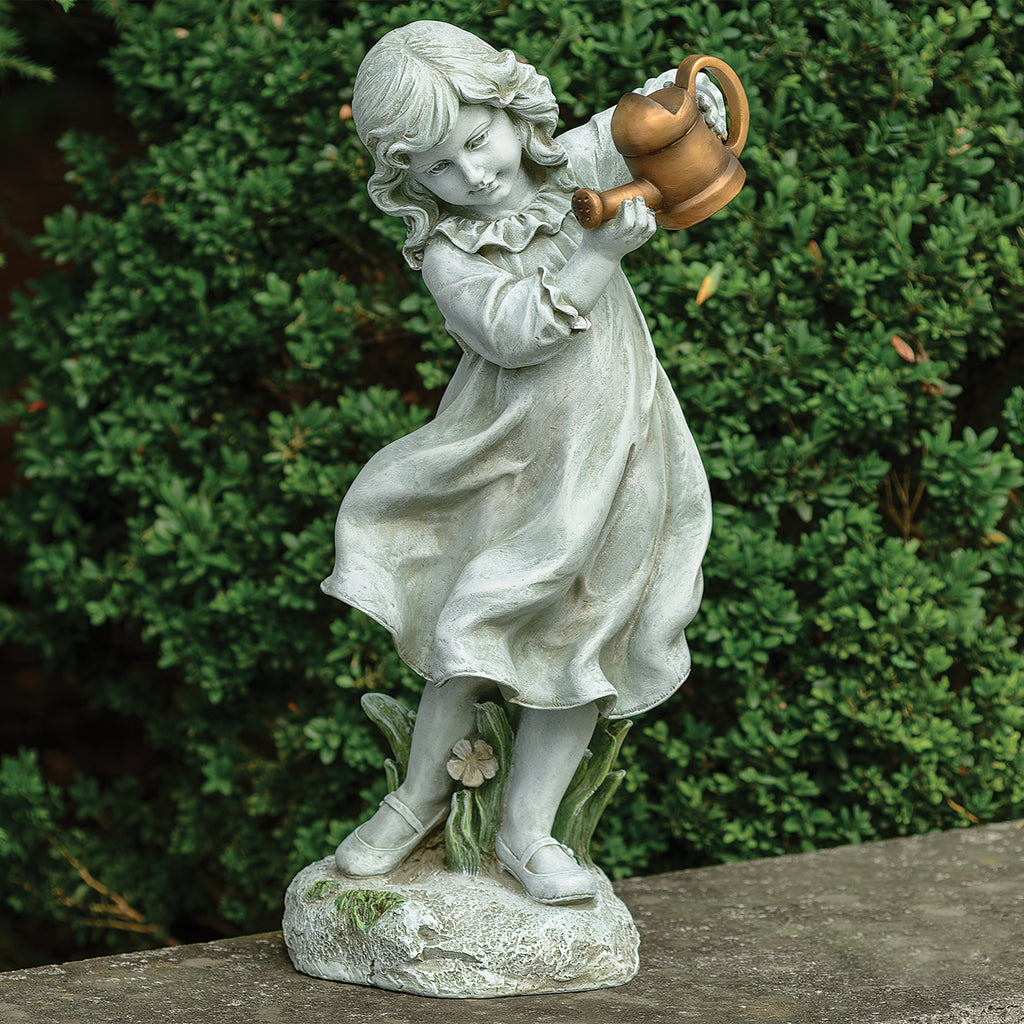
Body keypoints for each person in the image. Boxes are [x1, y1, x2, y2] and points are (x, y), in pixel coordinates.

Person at [321, 20, 713, 906]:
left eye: (476, 140)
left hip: (621, 450)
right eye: (437, 169)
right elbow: (517, 333)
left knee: (586, 634)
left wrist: (694, 103)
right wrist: (596, 255)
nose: (472, 175)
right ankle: (418, 800)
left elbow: (645, 119)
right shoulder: (452, 255)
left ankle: (529, 831)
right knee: (476, 619)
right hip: (516, 462)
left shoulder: (573, 166)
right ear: (409, 182)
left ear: (510, 108)